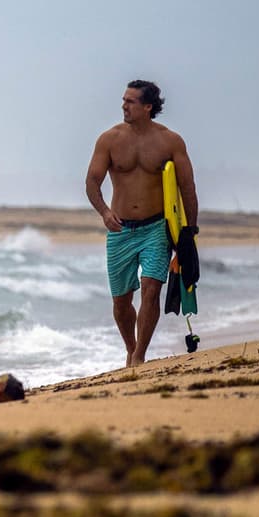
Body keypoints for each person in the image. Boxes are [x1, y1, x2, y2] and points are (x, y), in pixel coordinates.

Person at [85, 80, 198, 367]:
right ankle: (130, 347)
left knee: (151, 288)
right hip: (120, 229)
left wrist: (188, 233)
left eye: (131, 101)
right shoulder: (109, 139)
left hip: (156, 228)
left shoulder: (170, 141)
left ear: (148, 107)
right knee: (121, 302)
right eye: (123, 100)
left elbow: (187, 188)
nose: (124, 105)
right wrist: (104, 212)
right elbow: (92, 182)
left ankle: (139, 357)